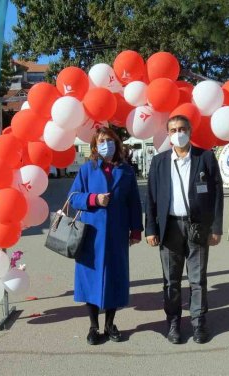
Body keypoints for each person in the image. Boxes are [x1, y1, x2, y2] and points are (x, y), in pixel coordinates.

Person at [145, 115, 224, 344]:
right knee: (171, 280)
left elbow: (217, 195)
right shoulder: (159, 162)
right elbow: (150, 198)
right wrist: (151, 228)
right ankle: (173, 324)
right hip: (169, 227)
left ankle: (199, 324)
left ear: (189, 131)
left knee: (198, 279)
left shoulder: (205, 157)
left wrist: (216, 227)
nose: (177, 133)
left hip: (197, 227)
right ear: (168, 135)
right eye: (173, 130)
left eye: (181, 129)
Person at [68, 127, 144, 345]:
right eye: (101, 141)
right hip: (90, 235)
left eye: (110, 140)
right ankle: (93, 326)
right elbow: (73, 198)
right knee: (90, 280)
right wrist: (93, 199)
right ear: (94, 146)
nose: (106, 144)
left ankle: (110, 324)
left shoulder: (126, 171)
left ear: (117, 143)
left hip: (116, 235)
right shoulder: (87, 170)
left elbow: (134, 204)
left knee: (115, 279)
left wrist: (136, 230)